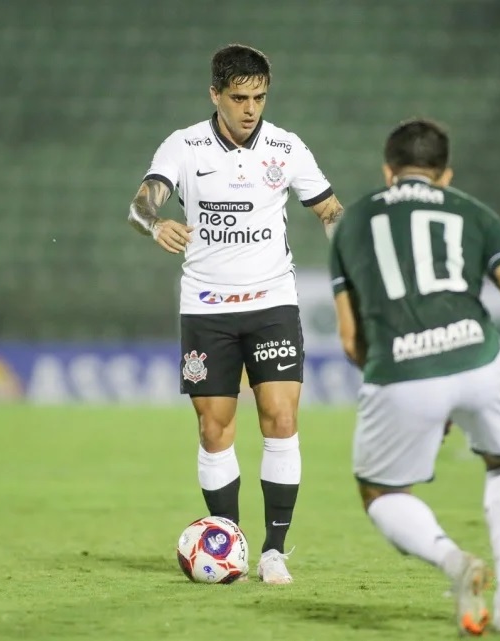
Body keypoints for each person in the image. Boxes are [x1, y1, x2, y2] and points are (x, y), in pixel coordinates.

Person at [329, 119, 500, 635]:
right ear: (445, 175)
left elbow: (348, 337)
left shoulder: (353, 222)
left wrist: (411, 393)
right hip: (479, 360)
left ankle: (455, 564)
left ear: (389, 172)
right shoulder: (476, 213)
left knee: (380, 493)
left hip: (402, 368)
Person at [127, 44, 344, 584]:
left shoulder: (286, 148)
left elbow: (329, 209)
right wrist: (156, 225)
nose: (251, 109)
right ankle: (228, 542)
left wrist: (344, 243)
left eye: (260, 97)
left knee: (281, 417)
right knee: (214, 428)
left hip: (272, 301)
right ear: (215, 96)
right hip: (206, 307)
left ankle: (273, 550)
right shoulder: (184, 146)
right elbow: (139, 204)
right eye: (239, 97)